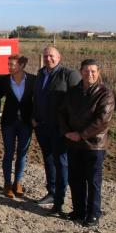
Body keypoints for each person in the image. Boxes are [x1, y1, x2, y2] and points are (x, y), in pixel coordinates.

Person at [60, 59, 114, 227]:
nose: (89, 74)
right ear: (80, 71)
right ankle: (78, 210)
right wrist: (67, 132)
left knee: (93, 180)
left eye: (93, 71)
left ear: (98, 72)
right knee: (75, 178)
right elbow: (62, 112)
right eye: (86, 71)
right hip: (73, 143)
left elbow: (102, 120)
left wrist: (81, 134)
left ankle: (93, 213)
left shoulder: (105, 94)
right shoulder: (73, 91)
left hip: (94, 145)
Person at [33, 46, 81, 216]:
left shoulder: (69, 75)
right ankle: (52, 191)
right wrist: (34, 118)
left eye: (51, 56)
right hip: (42, 127)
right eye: (46, 56)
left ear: (59, 57)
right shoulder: (40, 74)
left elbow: (77, 102)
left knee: (61, 163)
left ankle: (59, 200)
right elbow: (36, 98)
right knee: (48, 159)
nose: (48, 59)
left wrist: (70, 127)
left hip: (60, 129)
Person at [0, 54, 36, 198]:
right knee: (8, 152)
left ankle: (18, 182)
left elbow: (38, 101)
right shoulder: (4, 80)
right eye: (8, 64)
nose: (9, 67)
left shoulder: (33, 80)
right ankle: (7, 184)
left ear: (21, 65)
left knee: (22, 153)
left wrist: (35, 118)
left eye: (12, 64)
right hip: (8, 122)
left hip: (26, 123)